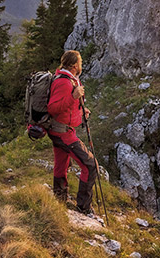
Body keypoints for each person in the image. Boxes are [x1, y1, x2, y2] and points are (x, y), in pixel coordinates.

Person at [46, 50, 98, 215]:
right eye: (80, 62)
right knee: (90, 166)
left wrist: (82, 112)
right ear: (75, 65)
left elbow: (66, 108)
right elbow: (53, 108)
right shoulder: (64, 82)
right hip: (63, 133)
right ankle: (83, 207)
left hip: (59, 131)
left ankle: (60, 200)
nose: (81, 65)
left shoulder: (70, 79)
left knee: (61, 166)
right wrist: (74, 97)